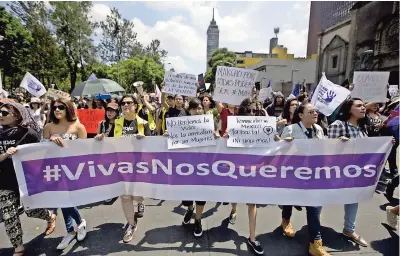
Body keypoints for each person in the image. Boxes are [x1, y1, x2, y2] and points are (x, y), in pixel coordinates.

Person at [0, 100, 57, 255]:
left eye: (5, 113)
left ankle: (50, 217)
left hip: (26, 180)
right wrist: (5, 154)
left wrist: (50, 142)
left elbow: (41, 151)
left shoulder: (28, 133)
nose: (1, 115)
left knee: (31, 211)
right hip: (4, 182)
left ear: (16, 114)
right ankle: (18, 247)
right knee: (9, 215)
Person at [95, 95, 151, 243]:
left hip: (139, 166)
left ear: (136, 105)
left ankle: (140, 203)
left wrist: (144, 138)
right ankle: (132, 225)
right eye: (123, 103)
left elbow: (152, 145)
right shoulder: (117, 122)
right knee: (125, 196)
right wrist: (101, 138)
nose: (125, 105)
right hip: (121, 165)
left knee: (138, 195)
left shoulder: (143, 123)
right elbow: (110, 141)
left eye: (129, 102)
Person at [279, 102, 328, 256]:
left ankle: (315, 243)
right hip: (294, 173)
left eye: (316, 111)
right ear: (300, 115)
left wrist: (340, 143)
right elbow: (279, 151)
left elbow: (324, 149)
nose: (315, 113)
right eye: (311, 111)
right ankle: (285, 220)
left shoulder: (319, 129)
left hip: (313, 174)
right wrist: (283, 144)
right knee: (289, 199)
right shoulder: (291, 129)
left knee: (313, 206)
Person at [43, 98, 88, 250]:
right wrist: (50, 140)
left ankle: (76, 225)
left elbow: (86, 150)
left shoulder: (78, 127)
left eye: (61, 107)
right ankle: (74, 227)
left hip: (74, 169)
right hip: (55, 168)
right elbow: (41, 149)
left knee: (66, 199)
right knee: (63, 199)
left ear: (68, 108)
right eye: (54, 107)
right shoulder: (48, 127)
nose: (57, 110)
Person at [224, 98, 264, 255]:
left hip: (253, 170)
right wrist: (224, 138)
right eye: (250, 110)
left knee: (252, 203)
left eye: (255, 111)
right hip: (235, 170)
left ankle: (252, 238)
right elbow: (224, 139)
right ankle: (234, 210)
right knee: (234, 195)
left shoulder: (262, 127)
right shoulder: (233, 126)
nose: (253, 113)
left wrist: (281, 141)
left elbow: (273, 142)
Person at [327, 98, 368, 247]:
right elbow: (326, 149)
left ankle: (349, 230)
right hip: (336, 172)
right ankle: (314, 228)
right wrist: (339, 143)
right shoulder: (338, 125)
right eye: (359, 106)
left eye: (363, 105)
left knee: (352, 199)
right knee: (321, 198)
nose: (363, 108)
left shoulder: (363, 128)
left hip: (355, 173)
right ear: (349, 109)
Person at [180, 98, 208, 237]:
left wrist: (215, 134)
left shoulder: (208, 123)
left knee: (201, 194)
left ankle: (198, 220)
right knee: (187, 192)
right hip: (186, 165)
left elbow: (216, 137)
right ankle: (190, 209)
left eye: (200, 108)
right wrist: (169, 135)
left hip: (202, 165)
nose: (197, 111)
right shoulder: (181, 123)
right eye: (194, 108)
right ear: (189, 110)